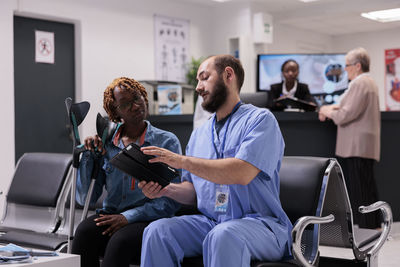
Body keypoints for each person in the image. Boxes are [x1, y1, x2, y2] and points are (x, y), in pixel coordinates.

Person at [138, 55, 292, 267]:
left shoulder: (261, 120)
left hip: (260, 225)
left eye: (204, 78)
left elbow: (241, 173)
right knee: (157, 231)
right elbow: (193, 191)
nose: (199, 87)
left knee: (224, 235)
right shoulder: (200, 134)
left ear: (228, 74)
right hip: (213, 222)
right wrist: (165, 190)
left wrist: (181, 161)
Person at [71, 77, 182, 267]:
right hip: (112, 214)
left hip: (148, 219)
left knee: (120, 241)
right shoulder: (107, 143)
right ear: (116, 112)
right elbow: (84, 199)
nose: (136, 106)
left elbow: (171, 202)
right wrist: (89, 156)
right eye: (126, 104)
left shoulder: (166, 142)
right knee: (83, 233)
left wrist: (127, 217)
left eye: (137, 98)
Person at [318, 47, 381, 229]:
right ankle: (373, 223)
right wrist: (331, 109)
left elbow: (345, 114)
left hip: (357, 144)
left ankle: (368, 226)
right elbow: (343, 106)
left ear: (358, 66)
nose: (345, 69)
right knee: (366, 185)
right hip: (363, 143)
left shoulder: (360, 84)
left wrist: (326, 110)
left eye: (347, 65)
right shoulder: (368, 83)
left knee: (360, 187)